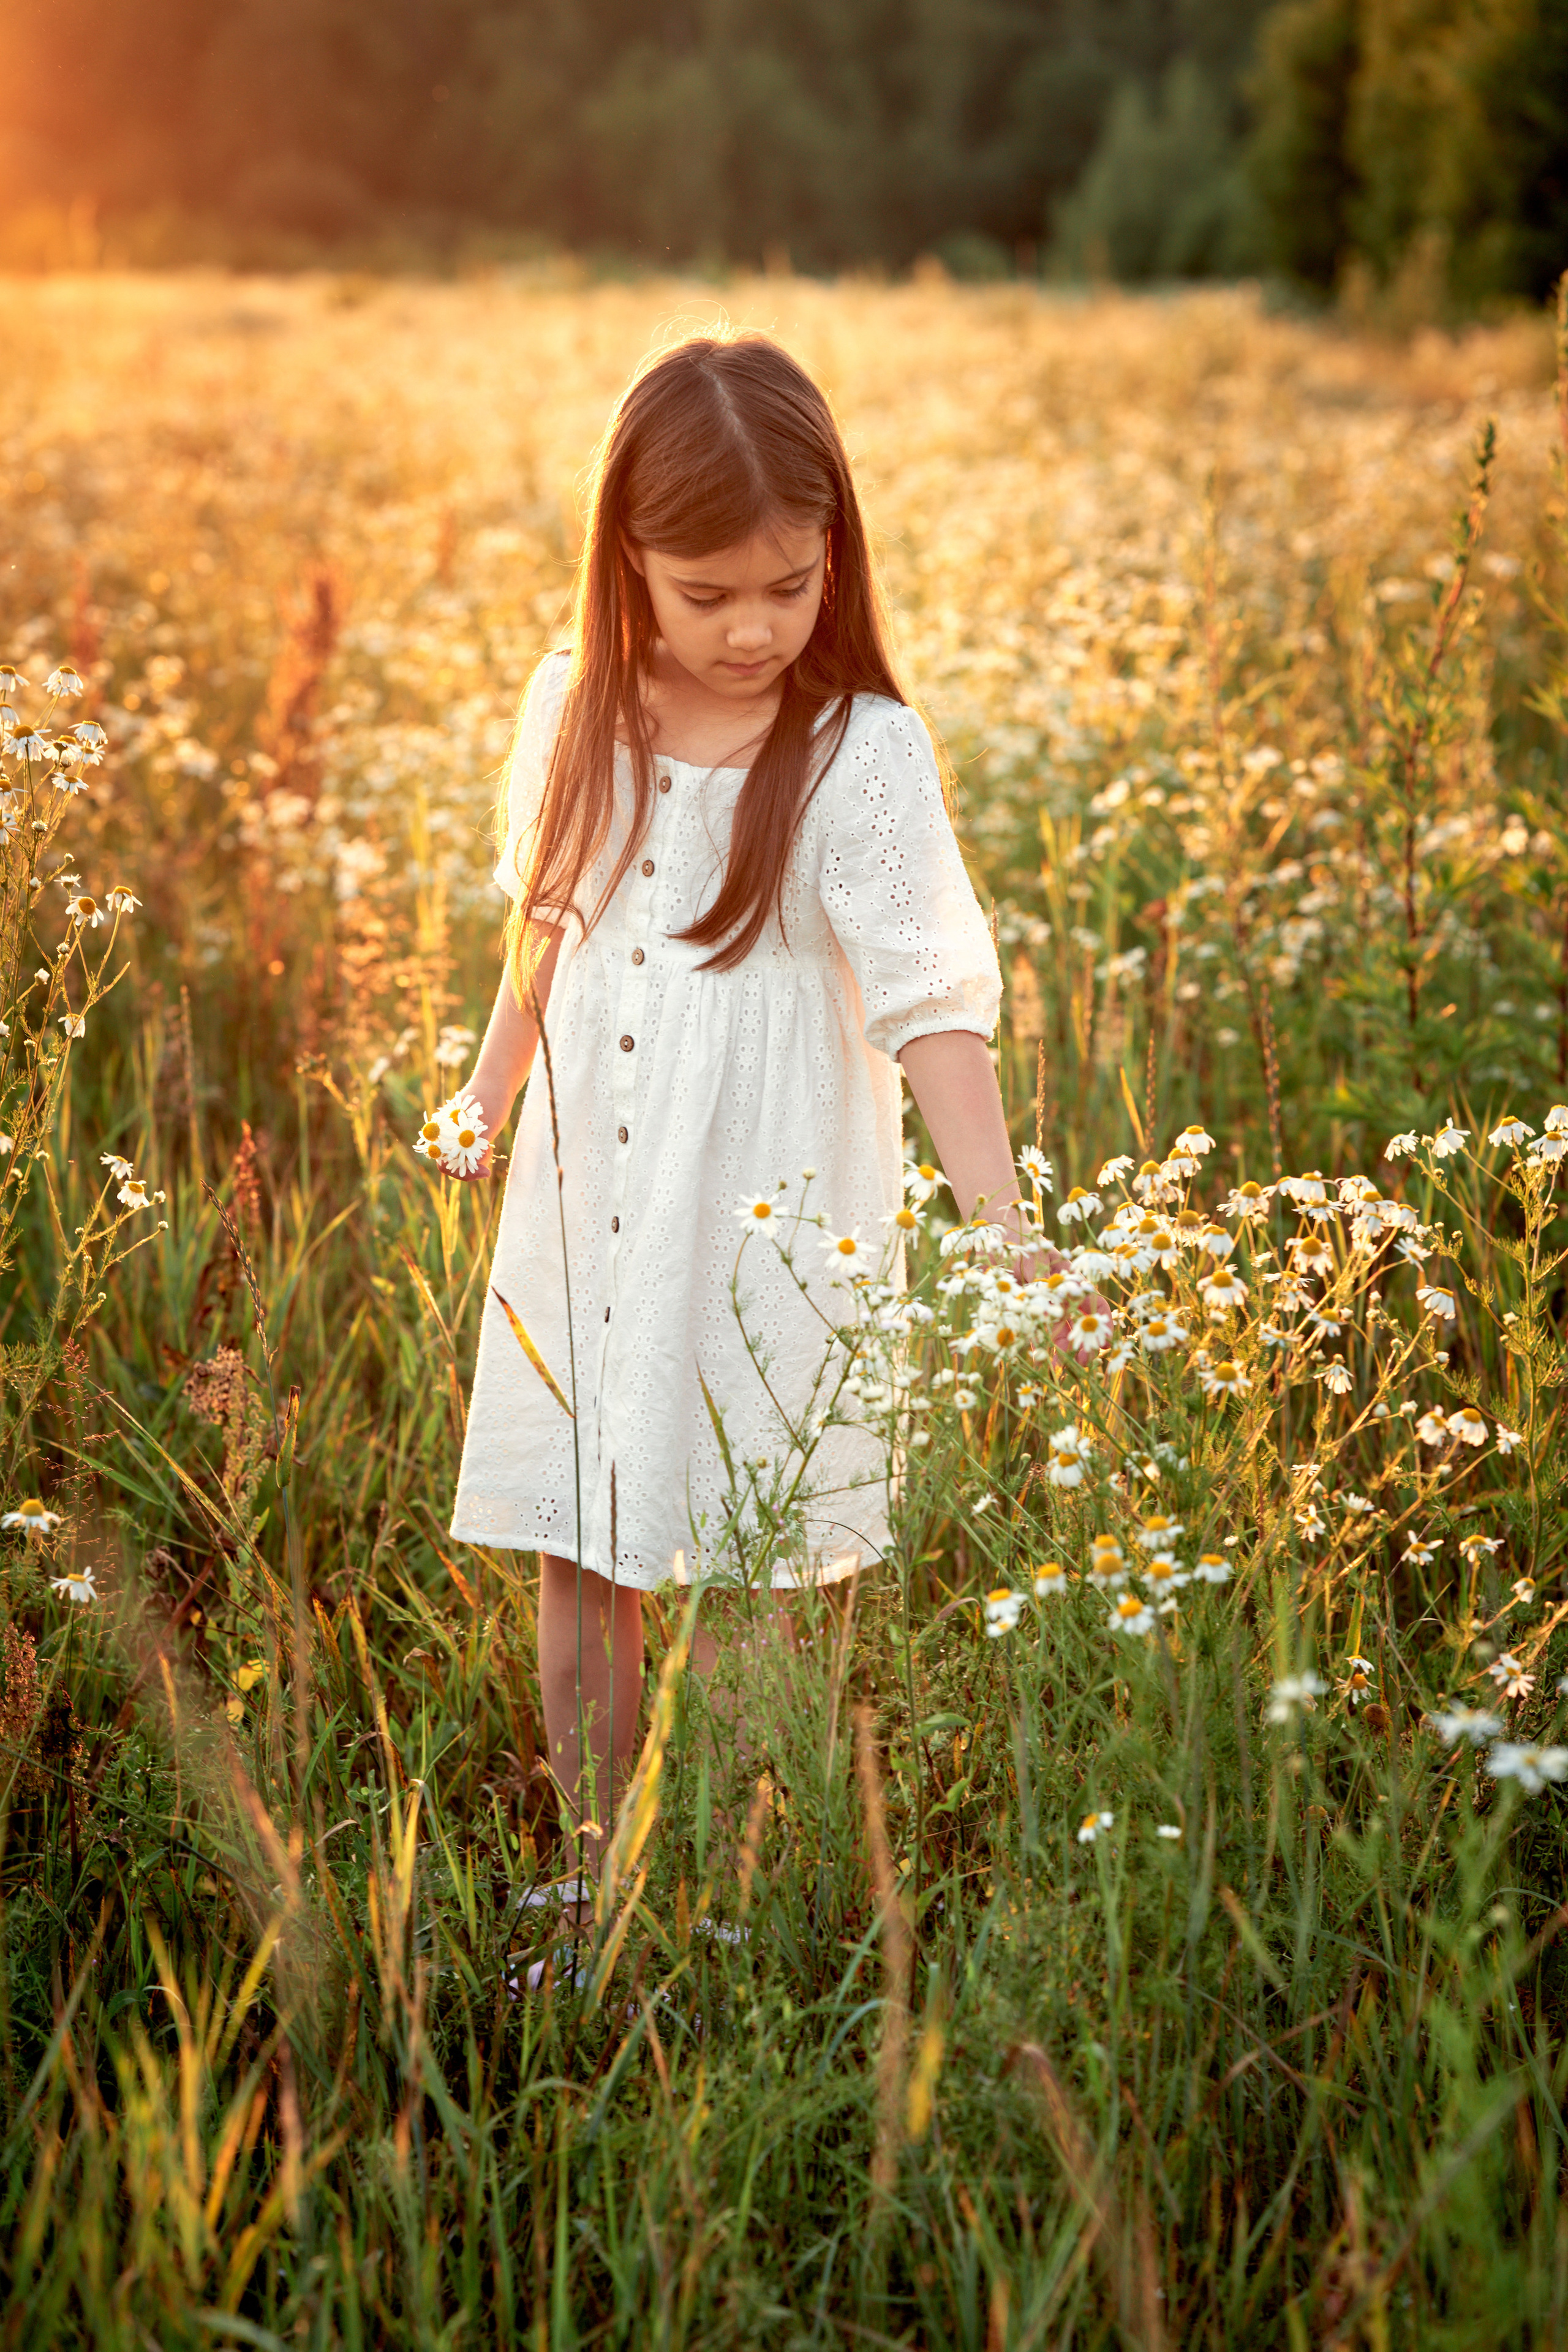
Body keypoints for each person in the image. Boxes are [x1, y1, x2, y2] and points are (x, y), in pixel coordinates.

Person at [442, 331, 1035, 1898]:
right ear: (623, 561)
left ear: (834, 551)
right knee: (586, 1529)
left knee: (762, 1553)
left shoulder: (858, 751)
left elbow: (932, 1007)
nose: (756, 626)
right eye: (706, 594)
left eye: (790, 582)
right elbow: (547, 919)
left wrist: (1005, 1233)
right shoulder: (574, 704)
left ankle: (726, 1906)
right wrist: (486, 1092)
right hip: (592, 1180)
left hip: (779, 1202)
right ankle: (588, 1878)